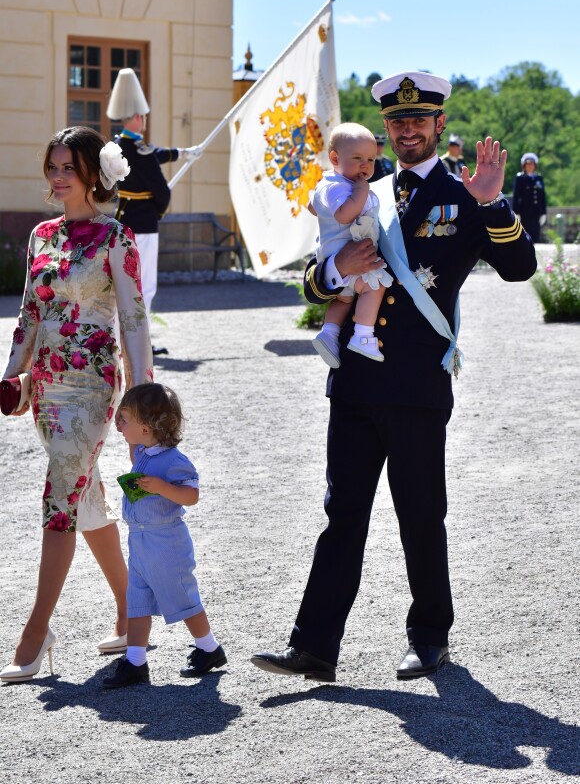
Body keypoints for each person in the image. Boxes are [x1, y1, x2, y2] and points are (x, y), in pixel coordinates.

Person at [251, 71, 537, 683]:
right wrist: (334, 275)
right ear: (386, 129)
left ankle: (431, 635)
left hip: (414, 383)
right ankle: (315, 647)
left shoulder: (465, 195)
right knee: (343, 512)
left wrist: (491, 201)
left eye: (419, 120)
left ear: (438, 125)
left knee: (419, 512)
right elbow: (316, 272)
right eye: (397, 122)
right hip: (355, 378)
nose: (408, 130)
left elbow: (519, 267)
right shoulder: (364, 188)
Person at [0, 126, 153, 683]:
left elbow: (135, 321)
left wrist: (142, 397)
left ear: (93, 175)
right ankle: (131, 609)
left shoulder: (116, 237)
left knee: (60, 496)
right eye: (53, 167)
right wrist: (12, 377)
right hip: (44, 387)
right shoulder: (41, 235)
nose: (57, 177)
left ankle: (36, 633)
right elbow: (28, 314)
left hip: (92, 385)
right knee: (83, 498)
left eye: (68, 168)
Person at [102, 382, 226, 687]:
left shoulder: (174, 461)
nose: (119, 425)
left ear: (146, 428)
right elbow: (135, 445)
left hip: (167, 543)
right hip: (141, 542)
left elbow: (191, 495)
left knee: (182, 597)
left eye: (125, 420)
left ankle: (209, 648)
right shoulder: (143, 451)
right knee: (138, 600)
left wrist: (163, 489)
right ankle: (135, 661)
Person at [106, 68, 200, 353]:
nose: (144, 121)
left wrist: (182, 153)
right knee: (145, 286)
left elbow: (154, 153)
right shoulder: (140, 151)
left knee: (121, 284)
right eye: (143, 116)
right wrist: (159, 210)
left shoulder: (117, 148)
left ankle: (121, 339)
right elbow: (162, 191)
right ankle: (140, 343)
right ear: (137, 117)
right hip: (145, 224)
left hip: (121, 221)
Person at [310, 123, 393, 367]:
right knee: (374, 286)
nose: (366, 166)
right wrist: (360, 192)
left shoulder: (335, 185)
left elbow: (313, 206)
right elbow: (344, 215)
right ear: (335, 158)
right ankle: (363, 336)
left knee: (344, 300)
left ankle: (329, 334)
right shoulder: (339, 186)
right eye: (357, 158)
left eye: (370, 159)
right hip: (346, 258)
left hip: (344, 253)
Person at [512, 152, 547, 243]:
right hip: (524, 211)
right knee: (524, 236)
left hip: (536, 211)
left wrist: (543, 212)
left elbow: (542, 196)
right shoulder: (520, 178)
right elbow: (516, 196)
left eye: (532, 164)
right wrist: (516, 212)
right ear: (524, 165)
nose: (530, 166)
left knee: (535, 236)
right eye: (528, 164)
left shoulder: (538, 178)